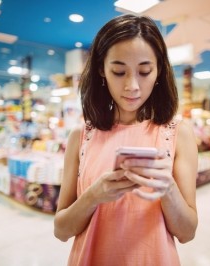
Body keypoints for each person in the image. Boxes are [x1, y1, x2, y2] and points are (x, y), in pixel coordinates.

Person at [54, 14, 198, 266]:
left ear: (159, 70)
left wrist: (168, 188)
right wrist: (94, 196)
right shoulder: (81, 136)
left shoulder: (177, 133)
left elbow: (187, 233)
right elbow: (61, 230)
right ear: (101, 69)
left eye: (144, 71)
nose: (132, 86)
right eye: (119, 71)